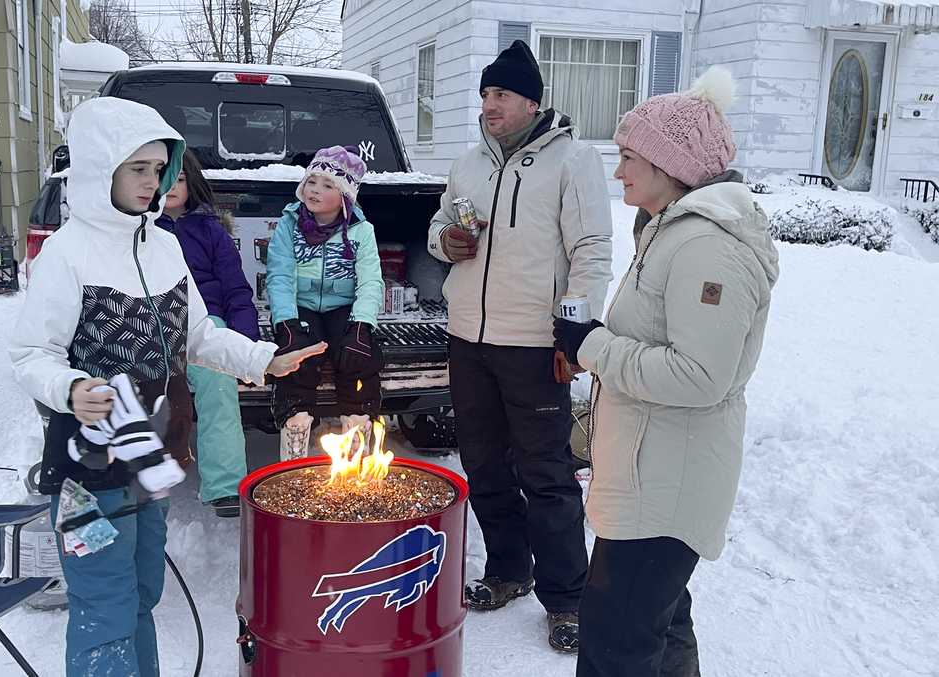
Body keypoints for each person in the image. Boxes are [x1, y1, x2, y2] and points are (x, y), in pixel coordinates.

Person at [7, 96, 323, 677]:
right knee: (103, 600)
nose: (153, 182)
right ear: (103, 166)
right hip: (89, 461)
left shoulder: (166, 245)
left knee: (144, 590)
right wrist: (71, 387)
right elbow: (31, 354)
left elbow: (198, 334)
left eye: (159, 169)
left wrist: (263, 360)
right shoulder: (66, 253)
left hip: (150, 453)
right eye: (138, 169)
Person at [553, 66, 779, 677]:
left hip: (668, 487)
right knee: (660, 625)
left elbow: (701, 377)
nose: (619, 170)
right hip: (648, 474)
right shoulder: (668, 232)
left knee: (616, 644)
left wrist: (594, 346)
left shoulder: (709, 247)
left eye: (629, 157)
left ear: (669, 165)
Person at [426, 39, 613, 653]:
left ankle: (568, 598)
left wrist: (575, 330)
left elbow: (591, 250)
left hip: (535, 342)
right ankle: (509, 569)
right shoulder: (469, 162)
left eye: (500, 94)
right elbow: (438, 228)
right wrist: (445, 243)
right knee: (482, 464)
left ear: (531, 101)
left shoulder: (572, 161)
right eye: (484, 95)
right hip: (468, 338)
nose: (489, 105)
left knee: (547, 471)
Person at [155, 149, 257, 518]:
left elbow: (235, 290)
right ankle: (140, 480)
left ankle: (225, 485)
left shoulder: (211, 231)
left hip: (207, 325)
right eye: (163, 177)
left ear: (192, 184)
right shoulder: (137, 231)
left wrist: (244, 344)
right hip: (151, 323)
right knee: (143, 390)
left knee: (217, 383)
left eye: (179, 179)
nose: (170, 187)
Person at [266, 145, 386, 459]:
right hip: (300, 304)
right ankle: (296, 424)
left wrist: (361, 326)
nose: (315, 190)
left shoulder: (361, 231)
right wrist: (287, 324)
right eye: (311, 181)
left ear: (345, 195)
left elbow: (371, 281)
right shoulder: (288, 225)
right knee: (300, 357)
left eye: (328, 185)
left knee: (357, 357)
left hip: (342, 305)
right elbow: (279, 276)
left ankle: (357, 429)